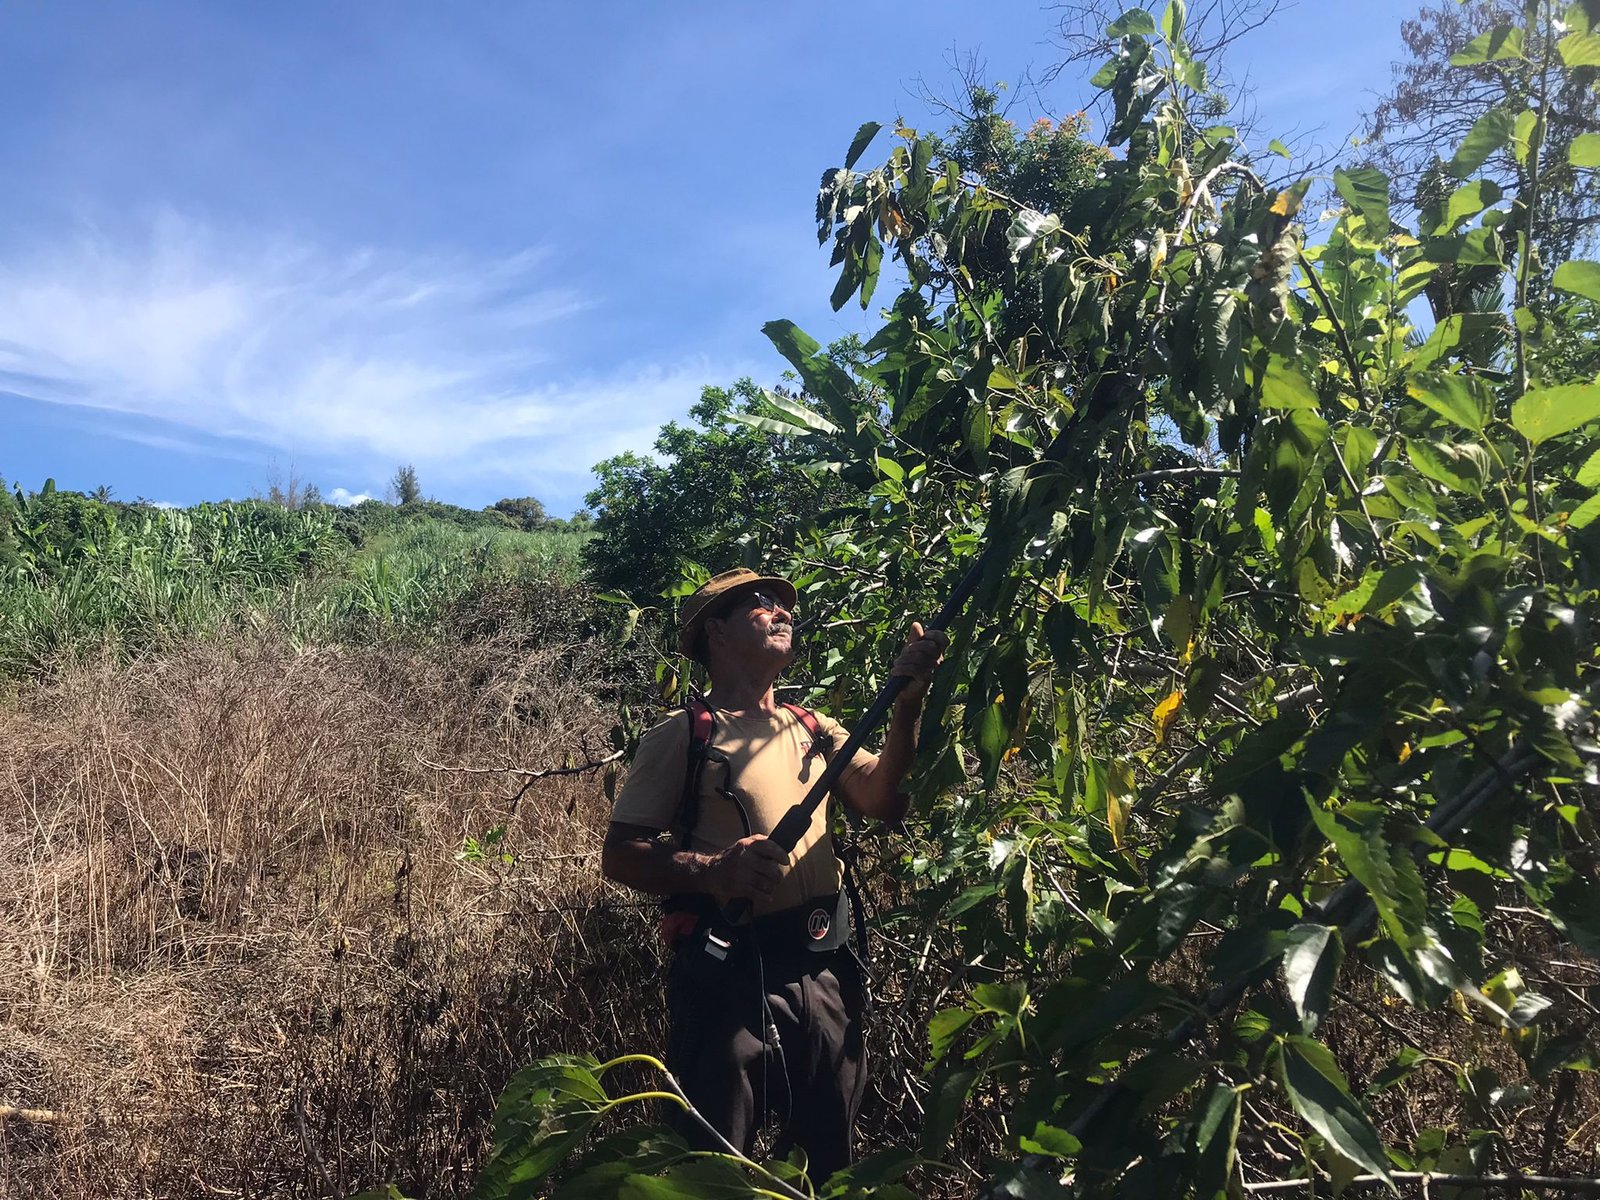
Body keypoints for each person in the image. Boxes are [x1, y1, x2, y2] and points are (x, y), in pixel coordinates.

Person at [600, 567, 946, 1180]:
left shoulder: (814, 728)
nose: (782, 612)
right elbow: (620, 854)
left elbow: (885, 800)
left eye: (783, 604)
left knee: (827, 1159)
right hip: (730, 979)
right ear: (716, 633)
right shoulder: (683, 735)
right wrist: (713, 870)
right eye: (760, 604)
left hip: (825, 969)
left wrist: (907, 707)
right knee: (713, 1165)